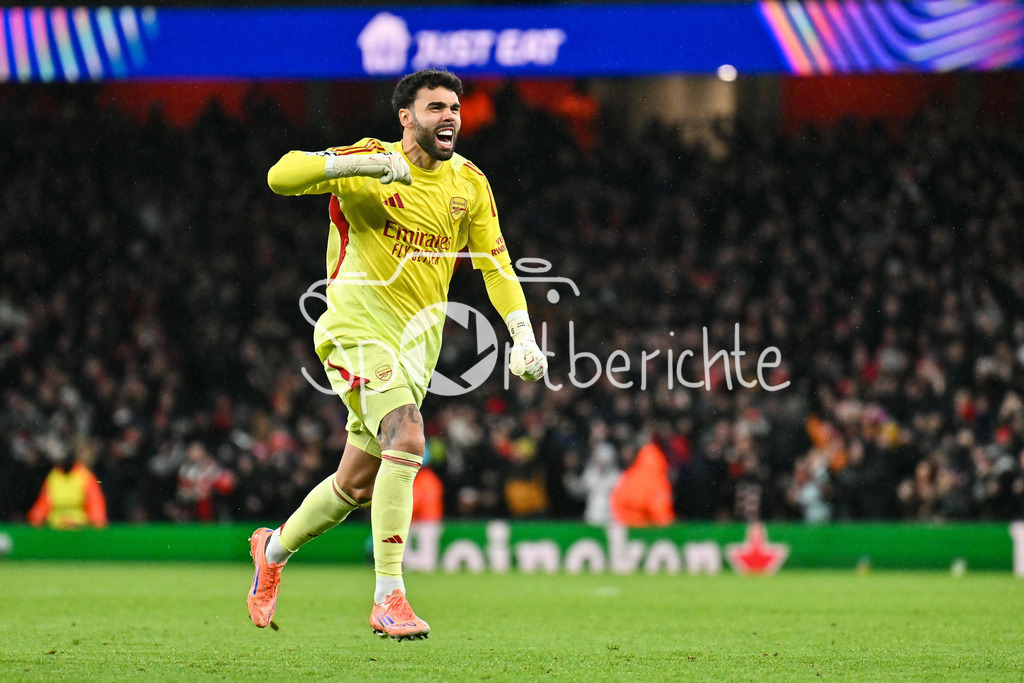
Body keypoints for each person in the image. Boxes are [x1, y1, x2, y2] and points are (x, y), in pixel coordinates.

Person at [247, 68, 547, 640]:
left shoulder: (469, 184)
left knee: (355, 485)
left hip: (416, 350)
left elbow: (497, 266)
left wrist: (522, 333)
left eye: (454, 107)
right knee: (408, 438)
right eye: (436, 107)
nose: (450, 116)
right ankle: (389, 597)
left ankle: (273, 550)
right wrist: (354, 167)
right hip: (355, 329)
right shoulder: (371, 161)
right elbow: (279, 176)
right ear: (406, 117)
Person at [27, 452, 108, 530]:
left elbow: (95, 501)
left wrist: (98, 523)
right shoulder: (53, 477)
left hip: (80, 525)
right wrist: (35, 520)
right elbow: (43, 502)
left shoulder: (85, 476)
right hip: (56, 526)